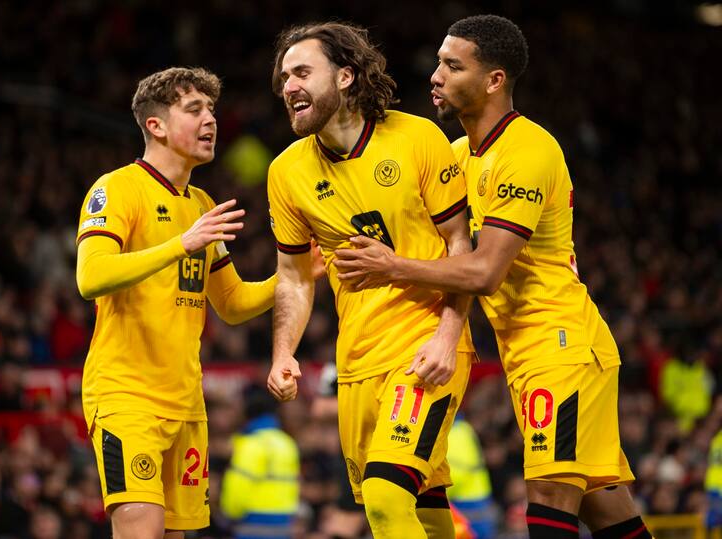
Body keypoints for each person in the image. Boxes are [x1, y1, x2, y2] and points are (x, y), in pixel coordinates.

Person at [333, 14, 653, 539]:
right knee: (604, 505)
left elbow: (481, 273)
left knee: (549, 497)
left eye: (452, 66)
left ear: (494, 80)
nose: (435, 75)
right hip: (524, 346)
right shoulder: (455, 156)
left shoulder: (528, 149)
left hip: (560, 341)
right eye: (438, 62)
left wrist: (390, 265)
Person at [265, 22, 477, 539]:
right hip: (357, 362)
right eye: (283, 78)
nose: (288, 86)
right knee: (423, 506)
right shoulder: (286, 172)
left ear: (344, 77)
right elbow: (294, 277)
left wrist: (449, 337)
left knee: (384, 497)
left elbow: (461, 247)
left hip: (424, 349)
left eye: (301, 72)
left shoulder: (418, 138)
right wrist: (283, 351)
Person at [75, 67, 277, 539]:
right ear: (156, 126)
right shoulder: (117, 188)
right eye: (195, 110)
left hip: (186, 403)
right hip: (127, 396)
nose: (210, 119)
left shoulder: (203, 204)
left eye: (211, 109)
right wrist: (180, 245)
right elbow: (90, 276)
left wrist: (296, 275)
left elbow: (232, 303)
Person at [220, 384, 300, 538]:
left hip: (251, 525)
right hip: (283, 525)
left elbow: (237, 490)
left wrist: (227, 516)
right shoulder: (287, 442)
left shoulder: (250, 444)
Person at [446, 415, 497, 539]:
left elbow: (456, 475)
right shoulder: (462, 428)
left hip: (467, 506)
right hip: (475, 504)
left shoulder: (455, 433)